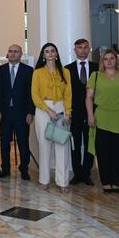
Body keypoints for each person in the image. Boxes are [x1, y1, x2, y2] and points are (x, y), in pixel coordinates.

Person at [86, 50, 119, 193]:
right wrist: (90, 115)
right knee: (103, 154)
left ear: (116, 60)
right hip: (101, 118)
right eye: (106, 59)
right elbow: (88, 97)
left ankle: (116, 183)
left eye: (112, 58)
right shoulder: (95, 75)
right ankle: (106, 182)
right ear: (102, 61)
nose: (109, 61)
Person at [31, 42, 73, 192]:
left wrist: (68, 112)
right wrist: (48, 110)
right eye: (47, 51)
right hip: (43, 109)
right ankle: (44, 180)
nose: (50, 53)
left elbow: (68, 94)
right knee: (44, 146)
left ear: (56, 54)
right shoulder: (37, 72)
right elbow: (35, 95)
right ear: (43, 55)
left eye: (52, 51)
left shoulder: (65, 72)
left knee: (62, 145)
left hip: (61, 108)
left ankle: (63, 182)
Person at [0, 44, 35, 180]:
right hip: (5, 113)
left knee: (23, 143)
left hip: (22, 113)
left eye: (16, 51)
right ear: (7, 53)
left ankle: (24, 169)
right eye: (10, 51)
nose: (12, 53)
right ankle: (5, 169)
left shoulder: (28, 70)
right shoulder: (0, 70)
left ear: (21, 54)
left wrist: (30, 112)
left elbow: (31, 93)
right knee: (4, 143)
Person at [66, 38, 98, 186]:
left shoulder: (97, 68)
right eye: (80, 47)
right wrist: (68, 113)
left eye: (85, 47)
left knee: (90, 144)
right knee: (75, 144)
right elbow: (66, 94)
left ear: (89, 49)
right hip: (74, 114)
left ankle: (86, 173)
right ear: (75, 50)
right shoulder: (67, 69)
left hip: (93, 113)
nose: (83, 50)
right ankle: (77, 173)